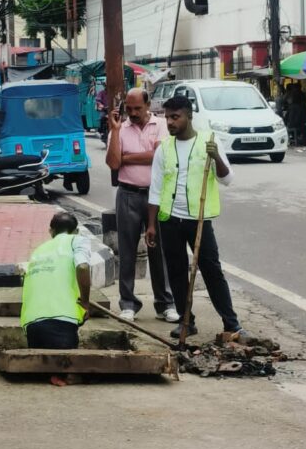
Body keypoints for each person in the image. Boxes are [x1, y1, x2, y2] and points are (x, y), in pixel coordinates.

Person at [146, 95, 248, 340]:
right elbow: (155, 188)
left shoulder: (209, 141)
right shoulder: (164, 148)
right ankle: (186, 321)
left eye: (175, 117)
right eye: (166, 117)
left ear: (189, 116)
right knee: (177, 271)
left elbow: (227, 179)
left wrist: (216, 158)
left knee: (211, 269)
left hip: (199, 220)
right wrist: (151, 225)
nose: (169, 122)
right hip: (169, 219)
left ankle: (231, 323)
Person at [105, 88, 178, 324]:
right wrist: (116, 132)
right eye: (129, 108)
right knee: (127, 252)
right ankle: (128, 304)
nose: (133, 113)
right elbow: (114, 162)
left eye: (138, 108)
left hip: (156, 196)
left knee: (160, 251)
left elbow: (160, 157)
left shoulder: (161, 126)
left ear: (148, 106)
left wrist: (128, 157)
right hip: (128, 194)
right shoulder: (119, 130)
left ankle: (165, 303)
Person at [20, 211, 91, 352]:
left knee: (44, 369)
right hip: (62, 320)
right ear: (76, 231)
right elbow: (82, 266)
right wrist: (85, 302)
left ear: (51, 231)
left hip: (32, 323)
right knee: (65, 370)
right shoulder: (76, 240)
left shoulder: (38, 250)